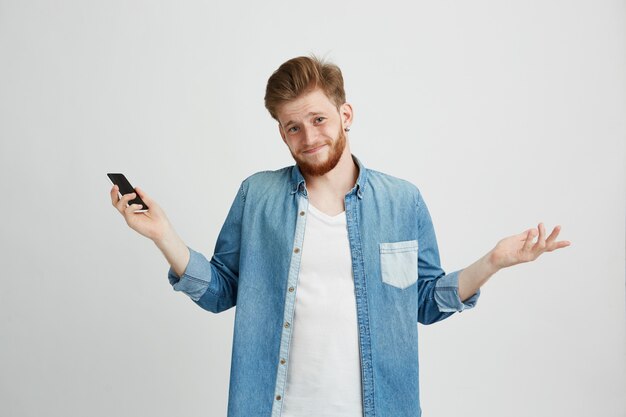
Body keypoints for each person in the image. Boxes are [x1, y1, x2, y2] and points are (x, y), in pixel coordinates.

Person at [109, 55, 570, 417]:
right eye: (293, 126)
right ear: (281, 134)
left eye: (318, 119)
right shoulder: (258, 195)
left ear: (345, 114)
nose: (308, 136)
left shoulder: (402, 201)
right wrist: (164, 236)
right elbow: (221, 291)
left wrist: (492, 262)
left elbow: (426, 302)